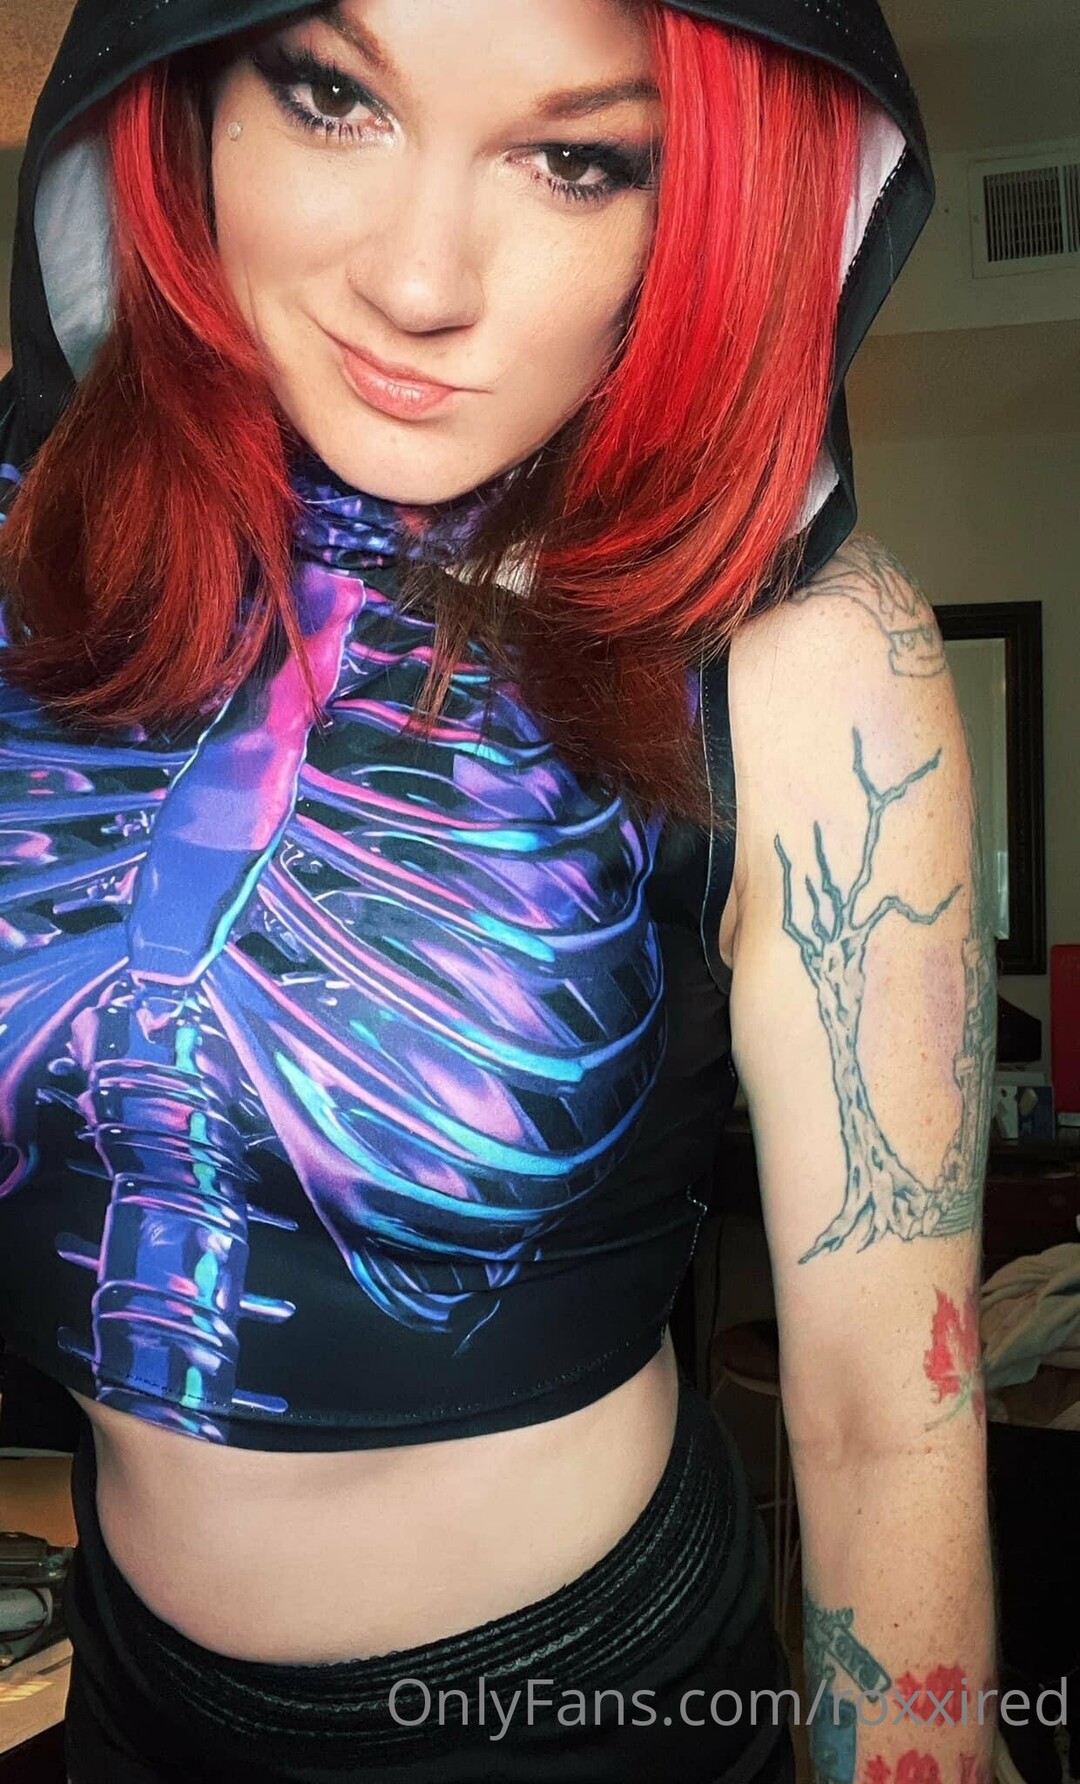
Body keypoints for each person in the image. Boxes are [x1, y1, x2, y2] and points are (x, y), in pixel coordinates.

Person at [0, 2, 997, 1780]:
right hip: (121, 1702)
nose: (419, 282)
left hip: (582, 1717)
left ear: (714, 208)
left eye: (576, 159)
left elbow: (880, 1424)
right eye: (333, 94)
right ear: (188, 92)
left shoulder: (814, 662)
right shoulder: (35, 555)